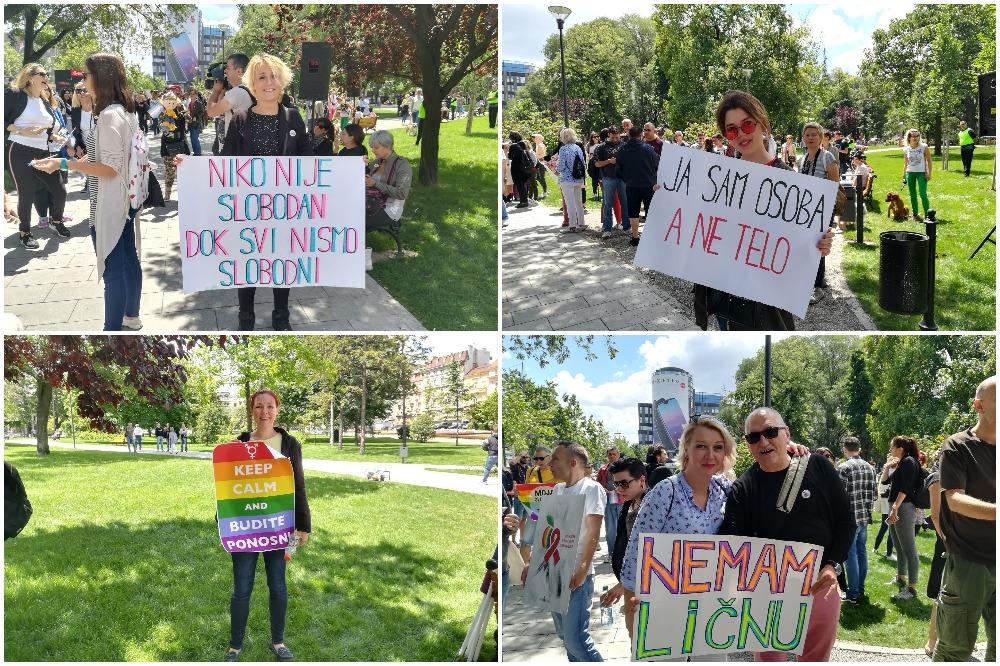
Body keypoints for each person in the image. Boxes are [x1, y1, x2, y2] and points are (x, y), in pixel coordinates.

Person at [693, 91, 834, 331]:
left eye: (747, 124)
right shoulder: (717, 177)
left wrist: (820, 244)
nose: (741, 134)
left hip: (766, 302)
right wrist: (670, 195)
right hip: (724, 293)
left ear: (761, 124)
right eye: (731, 129)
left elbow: (798, 247)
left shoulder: (789, 181)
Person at [722, 408, 855, 662]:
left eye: (771, 432)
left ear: (787, 434)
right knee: (769, 660)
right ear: (748, 444)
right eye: (754, 437)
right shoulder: (743, 488)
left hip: (820, 586)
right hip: (767, 594)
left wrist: (833, 564)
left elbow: (846, 519)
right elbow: (732, 544)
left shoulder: (818, 466)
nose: (763, 441)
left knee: (815, 658)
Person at [190, 53, 310, 332]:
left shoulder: (293, 118)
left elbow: (309, 160)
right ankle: (246, 318)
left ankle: (281, 316)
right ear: (253, 85)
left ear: (282, 82)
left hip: (284, 209)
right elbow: (226, 160)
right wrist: (192, 166)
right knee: (247, 265)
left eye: (274, 76)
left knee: (281, 264)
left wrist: (349, 169)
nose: (269, 82)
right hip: (248, 208)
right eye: (262, 77)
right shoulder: (242, 119)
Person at [225, 389, 311, 662]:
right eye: (259, 406)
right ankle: (235, 646)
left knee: (278, 586)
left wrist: (303, 527)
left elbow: (299, 486)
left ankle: (278, 642)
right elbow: (229, 489)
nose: (264, 412)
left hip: (280, 528)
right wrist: (224, 527)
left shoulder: (289, 444)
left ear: (277, 409)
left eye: (270, 406)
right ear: (252, 410)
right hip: (246, 528)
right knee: (241, 589)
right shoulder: (239, 443)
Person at [522, 441, 604, 662]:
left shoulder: (591, 488)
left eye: (555, 459)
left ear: (573, 462)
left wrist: (584, 568)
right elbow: (546, 531)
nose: (549, 464)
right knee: (565, 637)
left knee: (576, 639)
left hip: (576, 577)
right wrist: (531, 563)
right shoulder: (557, 490)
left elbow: (594, 530)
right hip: (553, 573)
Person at [932, 375, 995, 662]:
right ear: (978, 405)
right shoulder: (958, 445)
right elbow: (955, 500)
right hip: (970, 561)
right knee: (955, 648)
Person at [5, 63, 69, 249]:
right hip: (19, 150)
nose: (46, 77)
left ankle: (56, 222)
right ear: (30, 77)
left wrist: (53, 136)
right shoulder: (15, 94)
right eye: (42, 74)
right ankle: (25, 233)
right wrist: (20, 130)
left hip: (43, 152)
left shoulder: (44, 100)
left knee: (60, 190)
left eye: (47, 74)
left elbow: (46, 129)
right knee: (26, 193)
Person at [598, 456, 647, 644]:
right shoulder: (628, 505)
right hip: (630, 583)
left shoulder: (652, 506)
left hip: (646, 585)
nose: (619, 489)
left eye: (624, 484)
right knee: (633, 633)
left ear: (642, 479)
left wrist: (623, 584)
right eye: (616, 484)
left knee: (640, 637)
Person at [837, 436, 877, 604]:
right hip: (864, 516)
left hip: (850, 518)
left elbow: (838, 497)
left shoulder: (843, 467)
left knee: (851, 554)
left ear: (845, 449)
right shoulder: (870, 467)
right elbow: (874, 495)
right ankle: (859, 589)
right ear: (859, 449)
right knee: (861, 553)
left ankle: (853, 593)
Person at [886, 435, 923, 600]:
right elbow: (887, 482)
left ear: (900, 449)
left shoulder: (909, 462)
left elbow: (906, 488)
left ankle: (912, 588)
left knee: (909, 549)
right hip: (897, 506)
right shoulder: (903, 462)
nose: (890, 450)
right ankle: (901, 577)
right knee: (899, 547)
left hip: (903, 507)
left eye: (892, 447)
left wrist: (895, 508)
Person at [365, 129, 412, 244]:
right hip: (372, 202)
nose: (373, 150)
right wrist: (362, 167)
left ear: (387, 146)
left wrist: (375, 184)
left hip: (390, 208)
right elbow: (366, 178)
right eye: (372, 147)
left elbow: (402, 194)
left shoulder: (402, 165)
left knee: (357, 221)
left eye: (376, 147)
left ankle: (360, 255)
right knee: (349, 214)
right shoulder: (377, 162)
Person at [616, 125, 659, 247]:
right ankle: (651, 238)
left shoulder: (622, 150)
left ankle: (635, 237)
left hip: (631, 185)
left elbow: (618, 169)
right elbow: (657, 163)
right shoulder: (648, 149)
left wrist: (626, 178)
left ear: (629, 135)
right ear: (641, 135)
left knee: (633, 213)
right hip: (648, 185)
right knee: (650, 212)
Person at [520, 445, 557, 563]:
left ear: (550, 457)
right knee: (526, 540)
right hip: (534, 512)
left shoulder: (557, 471)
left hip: (552, 512)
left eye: (541, 458)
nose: (538, 461)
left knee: (548, 542)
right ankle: (522, 572)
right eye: (535, 459)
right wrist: (520, 492)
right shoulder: (530, 471)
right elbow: (527, 489)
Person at [206, 53, 253, 145]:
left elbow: (211, 112)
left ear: (239, 71)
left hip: (235, 151)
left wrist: (215, 92)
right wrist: (222, 93)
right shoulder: (250, 89)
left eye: (228, 68)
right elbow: (221, 113)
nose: (225, 71)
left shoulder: (237, 92)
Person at [593, 126, 627, 239]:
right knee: (608, 204)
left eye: (617, 137)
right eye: (613, 137)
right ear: (609, 136)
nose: (615, 139)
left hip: (622, 177)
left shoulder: (624, 145)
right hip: (608, 177)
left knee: (625, 202)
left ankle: (626, 226)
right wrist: (609, 161)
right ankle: (607, 228)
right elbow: (597, 164)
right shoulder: (601, 147)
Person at [158, 91, 190, 200]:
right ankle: (167, 193)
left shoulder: (180, 114)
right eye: (168, 101)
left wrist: (184, 111)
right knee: (169, 171)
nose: (171, 103)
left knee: (183, 171)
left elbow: (188, 120)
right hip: (167, 147)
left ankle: (185, 193)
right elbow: (164, 130)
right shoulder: (162, 115)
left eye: (173, 101)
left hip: (180, 145)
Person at [556, 128, 586, 233]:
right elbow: (582, 162)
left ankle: (572, 225)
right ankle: (581, 223)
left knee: (570, 203)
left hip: (567, 179)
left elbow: (561, 166)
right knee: (579, 202)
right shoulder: (577, 147)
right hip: (578, 178)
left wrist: (556, 167)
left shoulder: (563, 149)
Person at [594, 446, 622, 562]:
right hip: (608, 502)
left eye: (614, 454)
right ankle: (611, 554)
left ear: (618, 455)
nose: (611, 456)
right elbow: (598, 484)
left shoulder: (624, 468)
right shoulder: (603, 469)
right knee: (610, 529)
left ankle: (622, 554)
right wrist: (604, 490)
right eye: (609, 454)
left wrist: (618, 490)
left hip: (622, 501)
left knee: (622, 528)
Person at [902, 128, 932, 221]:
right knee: (912, 194)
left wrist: (929, 173)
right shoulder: (906, 149)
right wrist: (903, 175)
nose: (915, 138)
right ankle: (915, 214)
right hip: (910, 173)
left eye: (917, 136)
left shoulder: (924, 147)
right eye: (913, 136)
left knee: (923, 194)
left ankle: (928, 215)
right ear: (909, 137)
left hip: (921, 173)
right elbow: (905, 163)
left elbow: (929, 160)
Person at [507, 132, 531, 209]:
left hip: (516, 168)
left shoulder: (513, 146)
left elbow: (510, 156)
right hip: (524, 168)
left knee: (519, 185)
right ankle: (525, 200)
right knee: (522, 186)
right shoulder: (523, 144)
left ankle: (523, 202)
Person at [186, 89, 205, 157]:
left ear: (196, 95)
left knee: (195, 138)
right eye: (190, 94)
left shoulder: (198, 103)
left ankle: (198, 153)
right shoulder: (190, 103)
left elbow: (202, 112)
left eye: (193, 94)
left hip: (196, 124)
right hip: (190, 123)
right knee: (192, 139)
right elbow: (189, 112)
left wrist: (196, 117)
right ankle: (195, 152)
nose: (191, 95)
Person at [532, 133, 548, 199]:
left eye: (534, 138)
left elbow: (543, 155)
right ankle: (545, 191)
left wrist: (537, 157)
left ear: (538, 138)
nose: (533, 140)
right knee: (538, 177)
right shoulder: (538, 145)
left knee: (541, 177)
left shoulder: (540, 145)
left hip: (541, 163)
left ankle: (545, 192)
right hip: (538, 162)